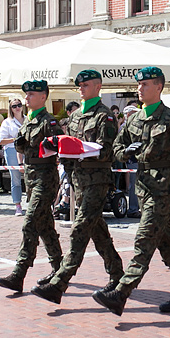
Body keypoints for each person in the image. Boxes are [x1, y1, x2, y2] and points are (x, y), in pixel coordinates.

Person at [93, 66, 170, 316]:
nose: (139, 89)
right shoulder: (134, 119)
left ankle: (121, 293)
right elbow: (116, 149)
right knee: (167, 243)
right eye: (138, 85)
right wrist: (126, 152)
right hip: (143, 188)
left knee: (143, 241)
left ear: (159, 88)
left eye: (145, 85)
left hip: (163, 189)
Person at [31, 69, 125, 304]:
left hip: (97, 180)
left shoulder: (105, 116)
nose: (81, 89)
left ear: (97, 87)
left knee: (80, 229)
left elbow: (106, 149)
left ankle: (60, 282)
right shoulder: (74, 117)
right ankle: (117, 273)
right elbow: (68, 149)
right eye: (79, 86)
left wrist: (81, 150)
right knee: (98, 231)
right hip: (78, 181)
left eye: (86, 86)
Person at [0, 80, 65, 294]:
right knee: (44, 227)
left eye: (31, 95)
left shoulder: (49, 122)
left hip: (45, 178)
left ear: (43, 97)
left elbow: (60, 146)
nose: (26, 99)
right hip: (32, 179)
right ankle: (60, 269)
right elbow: (22, 146)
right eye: (26, 95)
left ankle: (19, 273)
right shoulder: (27, 121)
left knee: (30, 223)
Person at [0, 99, 25, 215]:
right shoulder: (7, 122)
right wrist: (15, 139)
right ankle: (17, 204)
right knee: (16, 179)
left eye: (19, 105)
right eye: (14, 106)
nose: (17, 108)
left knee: (31, 177)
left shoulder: (28, 119)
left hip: (27, 150)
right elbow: (0, 141)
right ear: (11, 108)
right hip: (12, 150)